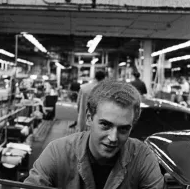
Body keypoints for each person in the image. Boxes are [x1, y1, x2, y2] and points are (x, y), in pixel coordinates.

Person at [24, 80, 164, 189]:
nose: (113, 138)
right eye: (105, 125)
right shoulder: (58, 152)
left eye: (123, 129)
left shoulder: (142, 157)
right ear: (89, 118)